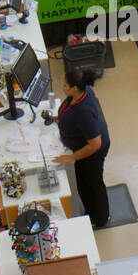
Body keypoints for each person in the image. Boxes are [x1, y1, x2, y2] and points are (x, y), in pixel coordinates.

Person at [53, 67, 111, 229]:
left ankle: (99, 218)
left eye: (65, 85)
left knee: (92, 183)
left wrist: (71, 157)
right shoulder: (81, 93)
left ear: (75, 88)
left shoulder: (83, 112)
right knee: (83, 182)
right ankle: (90, 210)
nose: (63, 88)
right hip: (84, 146)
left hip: (93, 151)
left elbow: (95, 143)